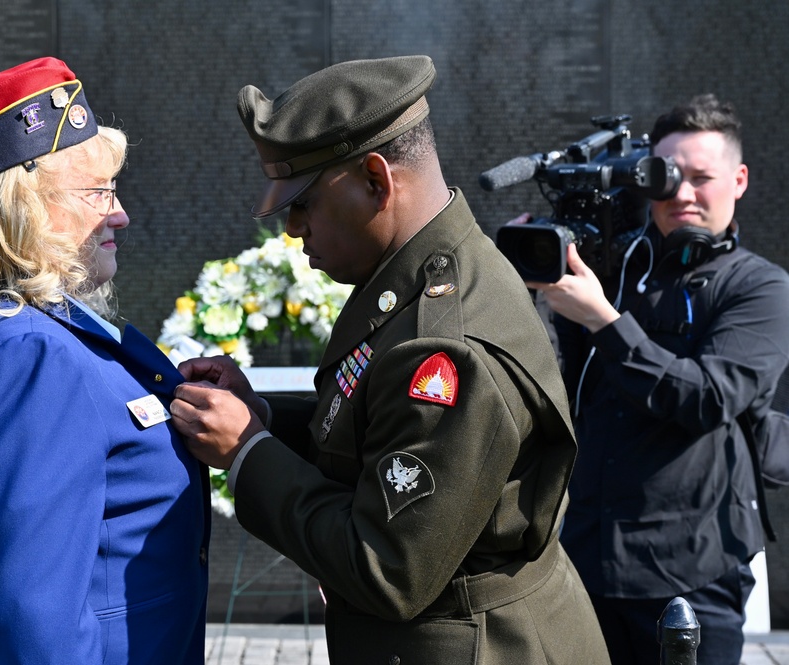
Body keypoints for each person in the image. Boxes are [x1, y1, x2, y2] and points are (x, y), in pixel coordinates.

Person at [170, 55, 610, 664]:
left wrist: (247, 452)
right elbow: (375, 422)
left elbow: (387, 567)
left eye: (303, 203)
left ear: (377, 180)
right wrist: (261, 414)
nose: (293, 229)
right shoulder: (422, 275)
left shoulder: (447, 346)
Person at [0, 57, 209, 664]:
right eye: (97, 192)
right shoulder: (31, 354)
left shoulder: (28, 333)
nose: (120, 213)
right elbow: (38, 610)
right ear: (22, 210)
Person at [530, 94, 789, 664]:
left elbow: (706, 397)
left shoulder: (761, 288)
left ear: (739, 179)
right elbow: (572, 388)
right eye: (668, 178)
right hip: (586, 560)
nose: (683, 195)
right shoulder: (618, 271)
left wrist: (602, 317)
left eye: (703, 178)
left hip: (691, 572)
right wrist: (542, 291)